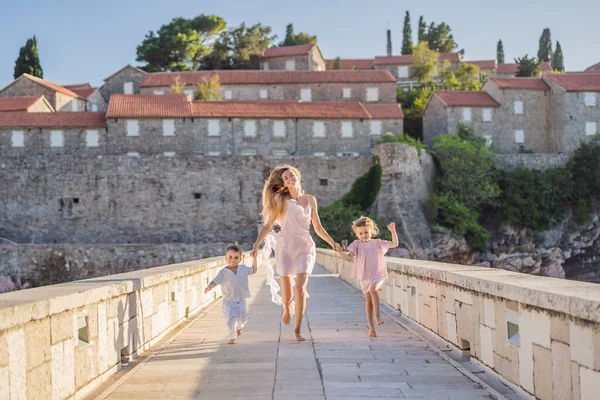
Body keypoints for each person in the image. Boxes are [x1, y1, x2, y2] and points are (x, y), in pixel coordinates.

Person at [251, 165, 341, 341]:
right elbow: (269, 225)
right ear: (284, 183)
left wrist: (332, 243)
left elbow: (317, 227)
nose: (290, 178)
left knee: (300, 288)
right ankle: (286, 307)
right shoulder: (280, 199)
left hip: (305, 246)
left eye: (291, 175)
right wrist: (256, 244)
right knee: (288, 294)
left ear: (297, 175)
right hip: (285, 246)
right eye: (285, 178)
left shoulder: (310, 199)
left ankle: (297, 329)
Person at [336, 216, 398, 337]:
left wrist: (393, 231)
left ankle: (378, 317)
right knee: (368, 302)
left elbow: (395, 244)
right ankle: (371, 328)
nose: (364, 235)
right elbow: (349, 258)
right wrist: (340, 252)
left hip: (378, 274)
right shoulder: (356, 244)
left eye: (366, 232)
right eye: (361, 233)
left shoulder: (378, 243)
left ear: (371, 231)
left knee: (373, 290)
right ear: (357, 234)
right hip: (364, 277)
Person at [205, 244, 257, 344]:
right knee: (231, 319)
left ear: (240, 259)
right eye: (230, 257)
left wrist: (254, 259)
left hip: (241, 300)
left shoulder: (243, 269)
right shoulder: (223, 272)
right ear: (225, 258)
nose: (233, 260)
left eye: (236, 257)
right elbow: (216, 281)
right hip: (228, 301)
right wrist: (210, 286)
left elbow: (254, 270)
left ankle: (239, 327)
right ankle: (231, 337)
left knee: (243, 318)